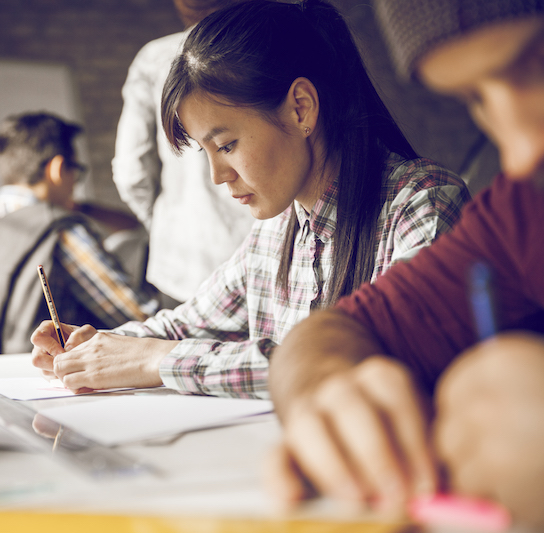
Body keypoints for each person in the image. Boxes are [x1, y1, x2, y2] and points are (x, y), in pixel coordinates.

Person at [30, 0, 471, 399]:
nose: (218, 176)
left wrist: (154, 361)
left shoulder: (422, 205)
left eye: (226, 146)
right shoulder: (276, 231)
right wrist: (92, 344)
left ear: (301, 108)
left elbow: (358, 359)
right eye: (205, 152)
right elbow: (183, 325)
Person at [267, 0, 544, 526]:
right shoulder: (525, 205)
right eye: (476, 96)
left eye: (539, 63)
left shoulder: (421, 195)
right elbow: (335, 330)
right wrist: (327, 392)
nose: (520, 151)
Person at [0, 112, 158, 355]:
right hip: (39, 377)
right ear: (58, 169)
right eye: (77, 170)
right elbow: (137, 314)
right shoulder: (59, 229)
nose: (75, 184)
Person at [112, 0, 254, 307]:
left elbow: (130, 170)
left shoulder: (155, 59)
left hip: (182, 268)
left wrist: (166, 222)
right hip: (263, 248)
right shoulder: (265, 45)